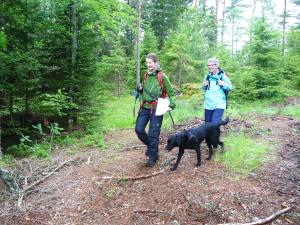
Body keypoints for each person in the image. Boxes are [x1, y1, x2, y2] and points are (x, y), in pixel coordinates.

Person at [135, 53, 176, 167]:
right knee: (138, 129)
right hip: (145, 107)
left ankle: (153, 156)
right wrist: (140, 90)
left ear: (156, 63)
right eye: (147, 63)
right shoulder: (145, 75)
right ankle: (151, 146)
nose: (148, 65)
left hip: (157, 108)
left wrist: (171, 105)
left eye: (150, 63)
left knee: (153, 133)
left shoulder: (162, 77)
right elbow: (144, 90)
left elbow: (171, 93)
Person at [202, 57, 232, 124]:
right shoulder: (207, 76)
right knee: (207, 125)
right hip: (208, 104)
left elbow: (230, 87)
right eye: (209, 65)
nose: (210, 67)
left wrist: (223, 84)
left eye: (212, 65)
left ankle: (216, 134)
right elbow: (204, 88)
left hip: (219, 103)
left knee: (215, 124)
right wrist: (204, 85)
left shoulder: (222, 76)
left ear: (217, 66)